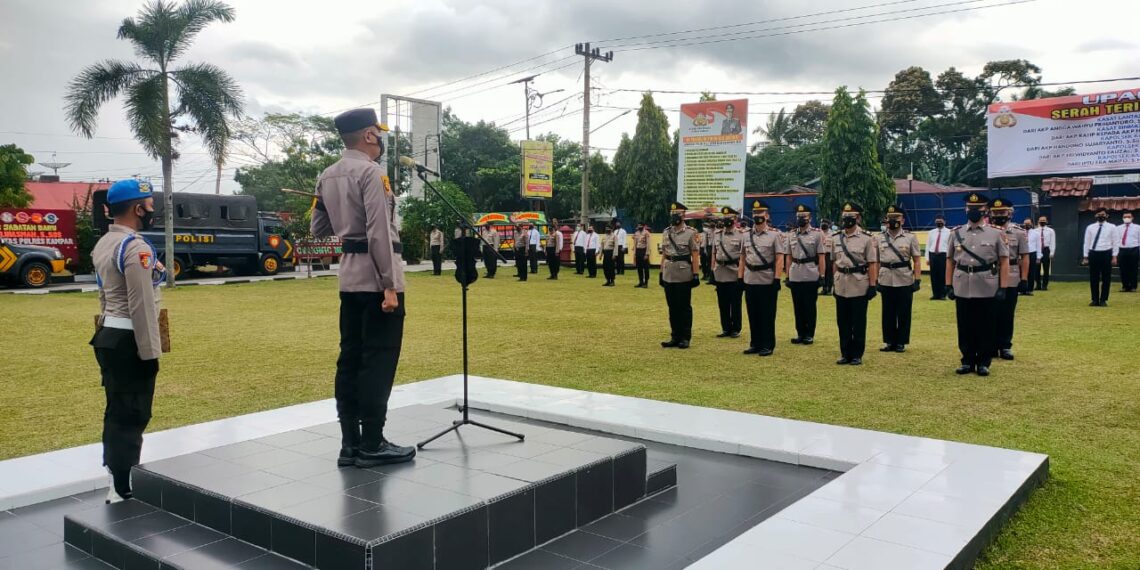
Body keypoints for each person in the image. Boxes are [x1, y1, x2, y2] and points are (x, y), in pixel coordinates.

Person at [311, 108, 414, 467]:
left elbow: (318, 229)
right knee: (378, 361)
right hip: (376, 280)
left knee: (350, 360)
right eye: (379, 134)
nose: (381, 140)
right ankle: (373, 441)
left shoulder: (327, 175)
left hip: (349, 278)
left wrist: (338, 209)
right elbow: (379, 231)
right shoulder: (372, 173)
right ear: (369, 135)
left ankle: (349, 444)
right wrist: (390, 286)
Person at [91, 178, 165, 502]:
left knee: (117, 409)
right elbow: (141, 303)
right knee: (133, 412)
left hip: (108, 334)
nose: (151, 210)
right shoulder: (136, 247)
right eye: (149, 205)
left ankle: (115, 475)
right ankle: (122, 485)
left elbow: (105, 296)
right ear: (138, 208)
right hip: (128, 339)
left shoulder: (106, 243)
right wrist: (149, 352)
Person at [946, 192, 1010, 377]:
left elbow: (1004, 261)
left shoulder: (997, 233)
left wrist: (1003, 287)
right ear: (965, 209)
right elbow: (950, 260)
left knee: (986, 325)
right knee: (965, 325)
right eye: (970, 208)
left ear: (985, 210)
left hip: (987, 285)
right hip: (962, 284)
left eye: (978, 208)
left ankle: (983, 361)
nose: (973, 211)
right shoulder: (956, 233)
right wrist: (948, 284)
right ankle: (967, 360)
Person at [830, 202, 879, 365]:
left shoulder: (867, 238)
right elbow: (834, 262)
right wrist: (832, 283)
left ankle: (857, 354)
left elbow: (872, 263)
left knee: (858, 322)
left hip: (859, 284)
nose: (846, 219)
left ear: (857, 218)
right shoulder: (835, 238)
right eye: (844, 216)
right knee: (842, 321)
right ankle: (845, 353)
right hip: (841, 283)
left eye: (850, 216)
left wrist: (873, 285)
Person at [740, 202, 786, 356]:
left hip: (766, 279)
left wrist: (777, 279)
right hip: (750, 278)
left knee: (767, 314)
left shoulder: (775, 235)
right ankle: (755, 343)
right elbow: (742, 257)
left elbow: (779, 258)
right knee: (753, 313)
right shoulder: (746, 235)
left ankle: (767, 344)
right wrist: (740, 278)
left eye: (760, 213)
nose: (757, 216)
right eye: (754, 213)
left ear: (767, 216)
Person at [876, 204, 922, 353]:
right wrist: (875, 280)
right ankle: (889, 341)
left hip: (904, 278)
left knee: (903, 312)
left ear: (902, 220)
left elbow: (916, 260)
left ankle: (901, 341)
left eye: (896, 217)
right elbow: (876, 261)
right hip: (885, 277)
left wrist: (918, 279)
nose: (892, 220)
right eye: (890, 218)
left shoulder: (910, 237)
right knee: (887, 312)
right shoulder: (879, 238)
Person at [990, 198, 1028, 361]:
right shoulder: (987, 232)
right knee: (990, 313)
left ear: (1010, 213)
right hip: (990, 276)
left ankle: (1005, 345)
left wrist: (1024, 278)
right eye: (996, 212)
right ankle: (990, 345)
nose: (999, 215)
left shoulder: (1019, 233)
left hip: (1012, 275)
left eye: (1002, 212)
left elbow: (1025, 257)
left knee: (1007, 312)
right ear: (990, 213)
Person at [660, 202, 701, 348]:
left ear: (684, 215)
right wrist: (661, 272)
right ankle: (675, 336)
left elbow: (695, 255)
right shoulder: (666, 232)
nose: (675, 216)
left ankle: (685, 337)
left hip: (684, 273)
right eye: (673, 213)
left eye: (677, 213)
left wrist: (696, 274)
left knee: (684, 306)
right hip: (669, 273)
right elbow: (664, 253)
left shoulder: (691, 232)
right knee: (672, 307)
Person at [784, 204, 825, 345]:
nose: (801, 219)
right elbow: (788, 256)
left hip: (810, 273)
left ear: (810, 218)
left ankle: (809, 334)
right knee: (798, 306)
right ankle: (800, 333)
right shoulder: (791, 234)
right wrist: (788, 275)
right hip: (795, 273)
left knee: (809, 306)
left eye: (804, 216)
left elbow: (821, 257)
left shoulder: (817, 234)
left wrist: (822, 275)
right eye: (799, 216)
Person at [712, 207, 745, 338]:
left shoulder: (741, 235)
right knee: (723, 303)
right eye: (725, 218)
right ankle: (725, 328)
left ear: (735, 219)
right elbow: (714, 253)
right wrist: (712, 270)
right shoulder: (717, 234)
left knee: (735, 302)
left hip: (734, 271)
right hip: (720, 271)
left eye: (730, 218)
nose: (727, 220)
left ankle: (736, 328)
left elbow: (744, 256)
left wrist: (742, 275)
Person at [1082, 207, 1118, 306]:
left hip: (1106, 253)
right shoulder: (1090, 227)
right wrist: (1085, 257)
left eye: (1103, 214)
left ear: (1107, 216)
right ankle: (1094, 299)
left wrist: (1114, 256)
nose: (1101, 216)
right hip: (1094, 253)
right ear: (1095, 216)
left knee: (1106, 278)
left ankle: (1103, 300)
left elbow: (1115, 242)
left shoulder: (1112, 227)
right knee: (1094, 277)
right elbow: (1086, 242)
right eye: (1099, 214)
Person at [925, 214, 951, 300]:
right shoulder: (931, 232)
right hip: (933, 255)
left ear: (944, 222)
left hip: (943, 255)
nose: (939, 223)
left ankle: (943, 294)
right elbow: (928, 245)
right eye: (937, 221)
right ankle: (935, 294)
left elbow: (950, 246)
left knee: (942, 275)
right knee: (934, 275)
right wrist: (927, 258)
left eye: (940, 221)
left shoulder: (949, 232)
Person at [1116, 211, 1138, 292]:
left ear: (1132, 218)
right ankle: (1125, 286)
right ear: (1122, 218)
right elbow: (1116, 239)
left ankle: (1133, 286)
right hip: (1122, 249)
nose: (1127, 218)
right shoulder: (1118, 228)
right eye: (1125, 217)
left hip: (1134, 249)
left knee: (1133, 268)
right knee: (1123, 269)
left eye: (1128, 217)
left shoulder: (1137, 228)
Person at [1034, 216, 1056, 291]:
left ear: (1046, 221)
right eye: (1041, 220)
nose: (1042, 221)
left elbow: (1053, 242)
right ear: (1038, 221)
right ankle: (1038, 285)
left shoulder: (1051, 231)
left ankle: (1044, 285)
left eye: (1044, 220)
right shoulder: (1035, 230)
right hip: (1037, 250)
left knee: (1046, 269)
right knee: (1037, 269)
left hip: (1046, 250)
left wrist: (1052, 252)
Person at [1022, 218, 1040, 295]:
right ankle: (1022, 289)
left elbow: (1038, 245)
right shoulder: (1021, 232)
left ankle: (1030, 290)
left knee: (1031, 272)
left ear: (1032, 224)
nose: (1027, 225)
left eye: (1028, 224)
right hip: (1022, 254)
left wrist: (1038, 257)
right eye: (1025, 224)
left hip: (1032, 253)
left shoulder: (1036, 233)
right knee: (1022, 272)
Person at [819, 218, 835, 295]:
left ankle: (829, 288)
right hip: (821, 255)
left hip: (829, 256)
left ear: (829, 225)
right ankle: (824, 288)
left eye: (825, 223)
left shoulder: (833, 234)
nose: (823, 225)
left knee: (829, 272)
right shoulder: (818, 233)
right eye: (822, 223)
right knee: (822, 272)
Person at [633, 222, 651, 288]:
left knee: (646, 268)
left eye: (640, 225)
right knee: (639, 268)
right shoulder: (636, 233)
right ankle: (641, 282)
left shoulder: (646, 233)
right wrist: (634, 253)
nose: (639, 226)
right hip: (638, 251)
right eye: (638, 225)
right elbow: (635, 244)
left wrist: (647, 254)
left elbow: (648, 244)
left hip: (644, 251)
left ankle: (646, 283)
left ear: (643, 226)